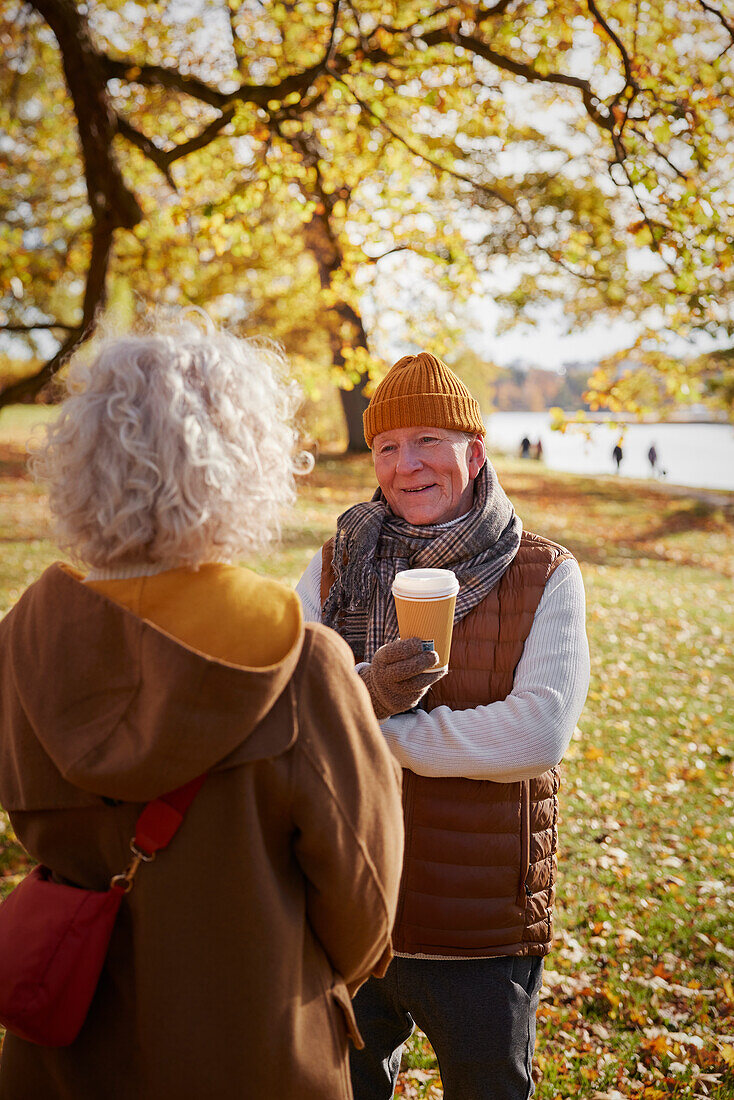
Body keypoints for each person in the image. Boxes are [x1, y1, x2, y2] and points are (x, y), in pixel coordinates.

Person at [0, 317, 404, 1099]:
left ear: (78, 462)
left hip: (65, 1056)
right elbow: (365, 907)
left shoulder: (20, 647)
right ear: (250, 465)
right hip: (256, 1051)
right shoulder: (304, 666)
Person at [296, 352, 590, 1100]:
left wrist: (372, 731)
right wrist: (361, 691)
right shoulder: (336, 564)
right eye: (388, 446)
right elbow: (289, 702)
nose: (407, 465)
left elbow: (537, 734)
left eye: (428, 439)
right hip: (350, 904)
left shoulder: (546, 573)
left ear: (475, 450)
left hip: (480, 924)